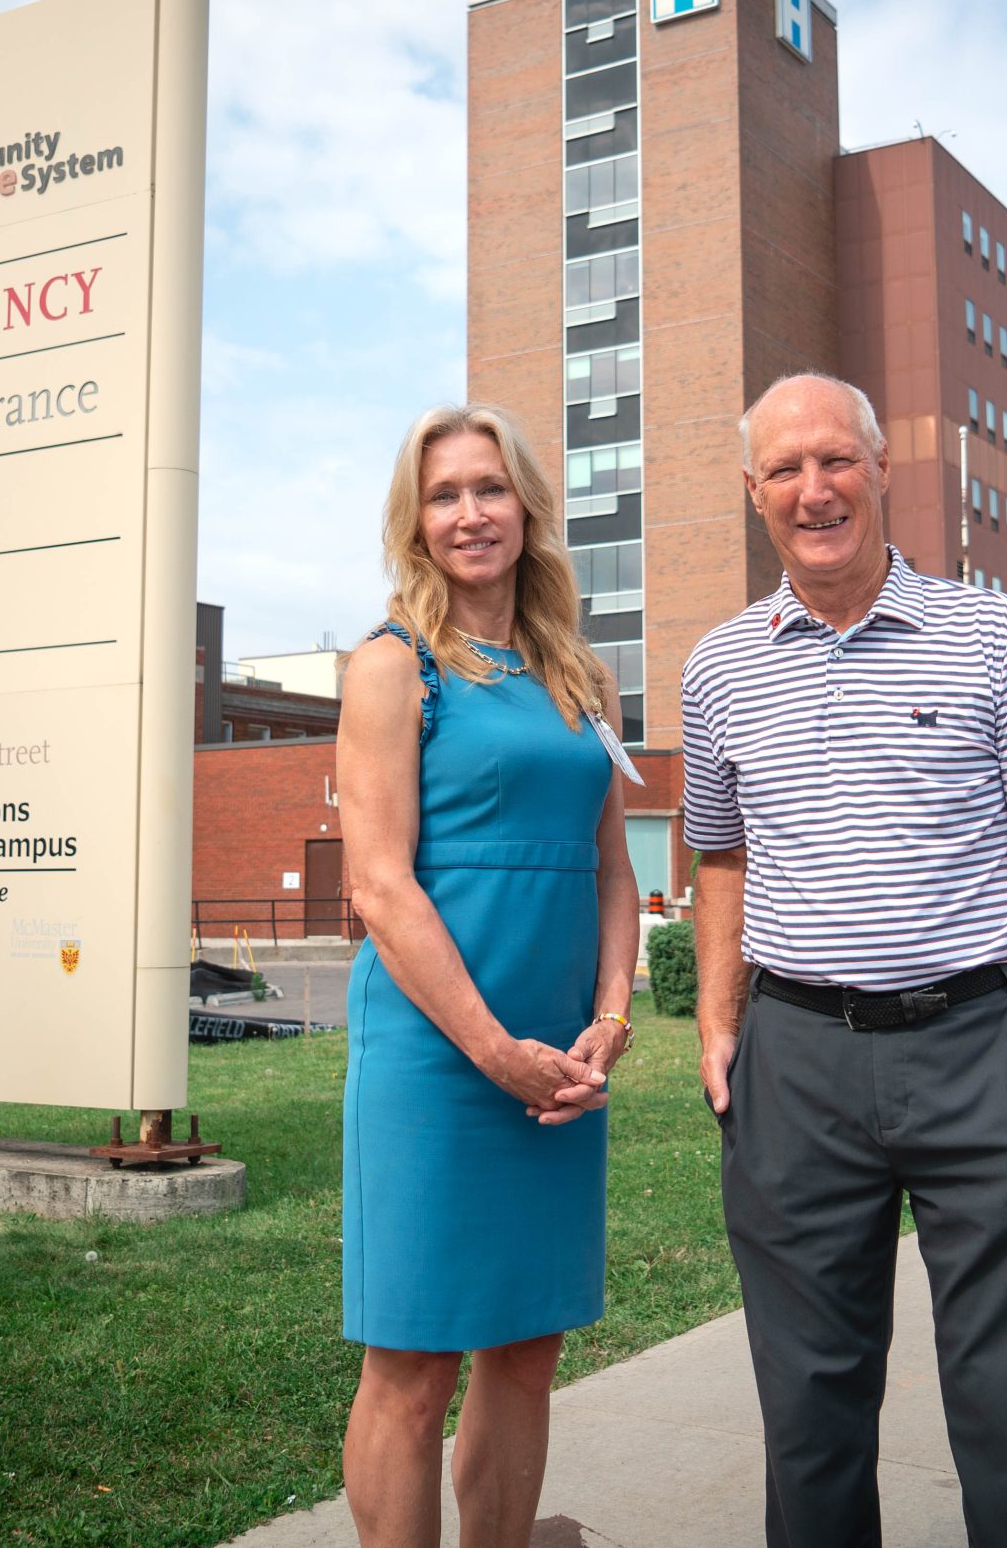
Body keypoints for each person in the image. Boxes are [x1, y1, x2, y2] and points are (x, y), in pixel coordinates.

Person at [682, 374, 1007, 1548]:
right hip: (796, 1063)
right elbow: (718, 861)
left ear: (881, 471)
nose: (812, 490)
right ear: (752, 492)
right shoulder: (717, 667)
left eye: (835, 461)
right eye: (784, 469)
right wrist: (720, 1029)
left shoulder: (991, 636)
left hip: (983, 1052)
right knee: (809, 1407)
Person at [335, 405, 644, 1548]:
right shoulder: (390, 667)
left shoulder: (581, 676)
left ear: (527, 506)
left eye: (490, 488)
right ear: (416, 523)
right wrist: (489, 1048)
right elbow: (379, 887)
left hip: (557, 1058)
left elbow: (613, 870)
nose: (470, 512)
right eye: (445, 494)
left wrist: (607, 1016)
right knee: (412, 1361)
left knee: (528, 1345)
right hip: (437, 1054)